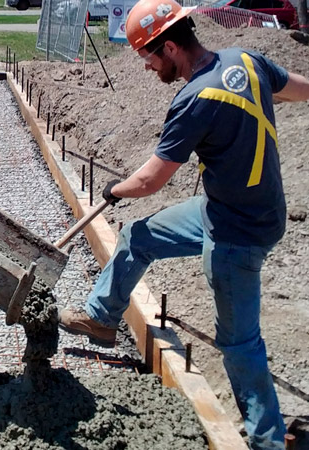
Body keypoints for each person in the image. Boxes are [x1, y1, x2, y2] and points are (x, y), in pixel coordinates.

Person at [56, 0, 309, 448]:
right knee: (138, 236)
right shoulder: (244, 60)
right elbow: (296, 88)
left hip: (238, 234)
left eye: (149, 58)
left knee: (238, 341)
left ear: (170, 47)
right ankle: (101, 317)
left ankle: (267, 440)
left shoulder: (194, 100)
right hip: (226, 209)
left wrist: (114, 190)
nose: (149, 68)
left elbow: (152, 180)